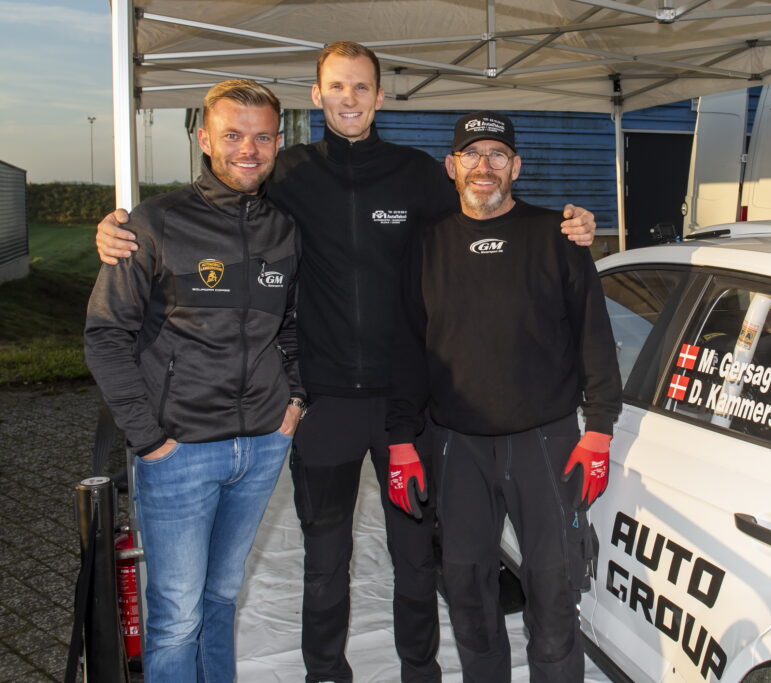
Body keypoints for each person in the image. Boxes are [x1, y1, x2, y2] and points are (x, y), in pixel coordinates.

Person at [94, 42, 598, 683]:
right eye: (337, 87)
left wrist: (569, 222)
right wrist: (118, 228)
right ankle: (325, 673)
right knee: (324, 557)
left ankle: (421, 670)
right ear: (318, 95)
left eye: (362, 87)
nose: (350, 99)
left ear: (381, 97)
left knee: (416, 555)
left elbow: (489, 205)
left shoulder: (418, 175)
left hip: (406, 411)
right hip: (323, 403)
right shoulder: (289, 171)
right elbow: (220, 193)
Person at [386, 111, 623, 683]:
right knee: (466, 587)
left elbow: (594, 333)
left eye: (497, 155)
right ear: (451, 166)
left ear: (516, 166)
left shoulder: (557, 236)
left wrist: (599, 429)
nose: (483, 166)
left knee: (554, 584)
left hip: (546, 440)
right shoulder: (425, 245)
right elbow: (407, 350)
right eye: (471, 154)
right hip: (456, 444)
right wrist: (400, 442)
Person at [84, 80, 303, 683]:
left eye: (261, 137)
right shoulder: (153, 223)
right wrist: (148, 438)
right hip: (178, 452)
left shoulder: (284, 228)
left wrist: (296, 401)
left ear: (277, 142)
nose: (248, 150)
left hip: (261, 447)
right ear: (204, 139)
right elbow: (105, 335)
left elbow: (292, 327)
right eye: (232, 135)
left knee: (221, 600)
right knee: (177, 616)